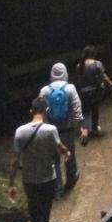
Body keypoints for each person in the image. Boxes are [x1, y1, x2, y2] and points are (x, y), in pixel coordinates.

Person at [8, 96, 70, 222]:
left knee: (35, 215)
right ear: (47, 112)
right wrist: (67, 153)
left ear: (31, 111)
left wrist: (11, 183)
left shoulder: (20, 132)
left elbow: (14, 161)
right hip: (47, 180)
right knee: (44, 217)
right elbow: (60, 148)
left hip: (29, 181)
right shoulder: (51, 130)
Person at [40, 62, 86, 198]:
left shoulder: (44, 91)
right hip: (67, 129)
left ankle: (57, 190)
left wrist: (43, 129)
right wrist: (79, 128)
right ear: (65, 73)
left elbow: (40, 112)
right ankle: (71, 180)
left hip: (50, 131)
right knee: (69, 154)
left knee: (54, 161)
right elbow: (77, 110)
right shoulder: (70, 88)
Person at [76, 46, 112, 143]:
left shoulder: (79, 66)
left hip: (83, 92)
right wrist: (111, 85)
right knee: (94, 109)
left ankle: (85, 130)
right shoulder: (97, 64)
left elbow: (79, 80)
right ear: (93, 54)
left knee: (85, 111)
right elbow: (104, 76)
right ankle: (94, 128)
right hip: (94, 91)